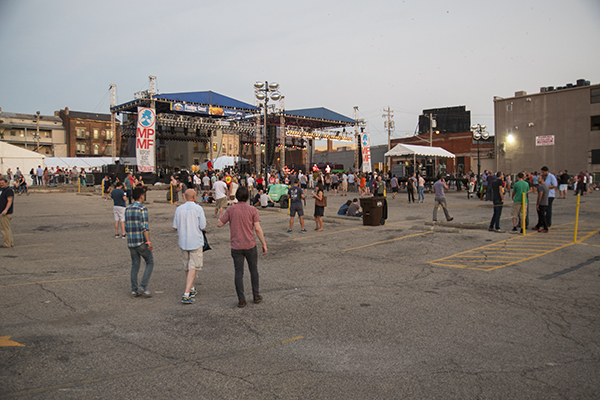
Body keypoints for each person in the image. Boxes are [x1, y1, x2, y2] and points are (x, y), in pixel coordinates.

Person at [217, 187, 267, 308]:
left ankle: (241, 299)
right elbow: (258, 229)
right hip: (250, 244)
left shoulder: (231, 210)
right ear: (247, 197)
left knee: (238, 272)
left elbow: (219, 224)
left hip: (236, 245)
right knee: (253, 270)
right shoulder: (253, 210)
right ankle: (256, 295)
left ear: (237, 196)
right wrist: (264, 244)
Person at [173, 189, 207, 304]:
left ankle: (191, 287)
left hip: (183, 240)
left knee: (187, 265)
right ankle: (186, 293)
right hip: (195, 240)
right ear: (194, 196)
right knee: (193, 266)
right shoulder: (198, 209)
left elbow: (175, 226)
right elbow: (203, 226)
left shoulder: (179, 209)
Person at [125, 188, 154, 298]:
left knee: (135, 265)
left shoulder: (128, 208)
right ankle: (143, 286)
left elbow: (127, 226)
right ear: (141, 196)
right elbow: (144, 227)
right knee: (150, 262)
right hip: (140, 241)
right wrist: (148, 241)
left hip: (131, 241)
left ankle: (134, 289)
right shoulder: (142, 208)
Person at [0, 177, 15, 248]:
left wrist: (5, 210)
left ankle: (6, 244)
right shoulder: (4, 190)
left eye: (3, 183)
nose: (1, 184)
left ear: (6, 182)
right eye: (0, 183)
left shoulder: (9, 190)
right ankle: (10, 243)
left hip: (6, 213)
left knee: (4, 229)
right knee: (7, 228)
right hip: (4, 212)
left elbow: (10, 201)